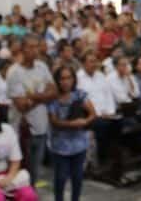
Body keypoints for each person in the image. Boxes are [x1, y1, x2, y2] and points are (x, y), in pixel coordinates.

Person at [7, 35, 57, 187]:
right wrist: (44, 96)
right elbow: (21, 105)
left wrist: (32, 96)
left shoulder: (42, 66)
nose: (35, 50)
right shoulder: (14, 72)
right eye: (31, 47)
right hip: (22, 128)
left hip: (41, 125)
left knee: (35, 170)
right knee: (21, 173)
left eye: (37, 46)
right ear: (22, 49)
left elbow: (54, 92)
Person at [47, 66, 95, 201]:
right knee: (61, 178)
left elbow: (92, 114)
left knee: (78, 177)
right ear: (57, 80)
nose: (66, 81)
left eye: (69, 78)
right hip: (60, 145)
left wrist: (84, 122)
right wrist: (70, 124)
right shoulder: (53, 99)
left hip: (79, 143)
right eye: (62, 78)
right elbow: (53, 121)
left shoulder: (80, 94)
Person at [76, 52, 120, 168]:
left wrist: (110, 111)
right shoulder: (78, 78)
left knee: (119, 122)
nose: (93, 64)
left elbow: (108, 94)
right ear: (83, 63)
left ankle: (113, 158)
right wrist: (99, 114)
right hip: (89, 114)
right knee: (103, 126)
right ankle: (101, 159)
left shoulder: (100, 75)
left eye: (95, 61)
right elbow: (82, 101)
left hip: (105, 113)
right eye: (90, 61)